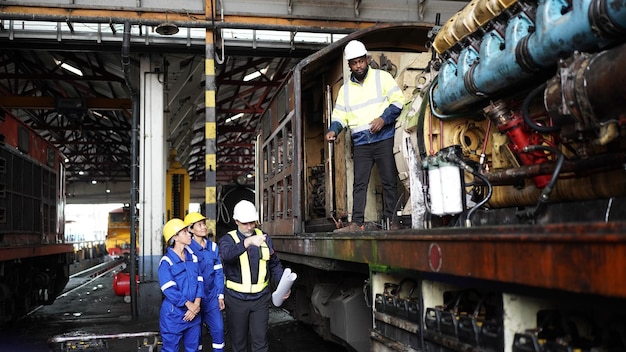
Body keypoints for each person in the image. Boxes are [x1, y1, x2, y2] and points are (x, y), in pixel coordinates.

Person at [325, 39, 405, 231]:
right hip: (361, 143)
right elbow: (340, 115)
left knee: (389, 181)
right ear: (349, 65)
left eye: (361, 61)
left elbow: (398, 101)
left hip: (384, 138)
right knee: (359, 184)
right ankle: (356, 223)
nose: (359, 65)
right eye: (354, 63)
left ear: (367, 60)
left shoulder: (382, 77)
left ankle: (392, 222)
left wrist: (383, 119)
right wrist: (333, 129)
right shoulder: (345, 90)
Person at [218, 200, 290, 352]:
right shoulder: (227, 240)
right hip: (236, 300)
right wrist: (247, 243)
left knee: (261, 343)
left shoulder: (265, 238)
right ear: (236, 221)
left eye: (252, 222)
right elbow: (227, 256)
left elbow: (274, 264)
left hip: (260, 300)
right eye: (245, 223)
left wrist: (283, 285)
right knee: (239, 344)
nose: (250, 227)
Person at [158, 218, 204, 352]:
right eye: (184, 232)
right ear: (175, 237)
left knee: (193, 349)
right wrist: (189, 305)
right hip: (174, 316)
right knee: (170, 349)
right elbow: (169, 289)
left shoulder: (193, 257)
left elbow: (200, 281)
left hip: (193, 315)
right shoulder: (166, 262)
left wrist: (196, 305)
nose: (189, 234)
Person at [184, 212, 226, 352]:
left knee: (219, 330)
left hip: (211, 297)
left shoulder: (213, 247)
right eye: (199, 225)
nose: (204, 227)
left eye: (204, 224)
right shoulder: (187, 250)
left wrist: (220, 295)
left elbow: (219, 272)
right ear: (190, 229)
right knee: (196, 335)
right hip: (195, 299)